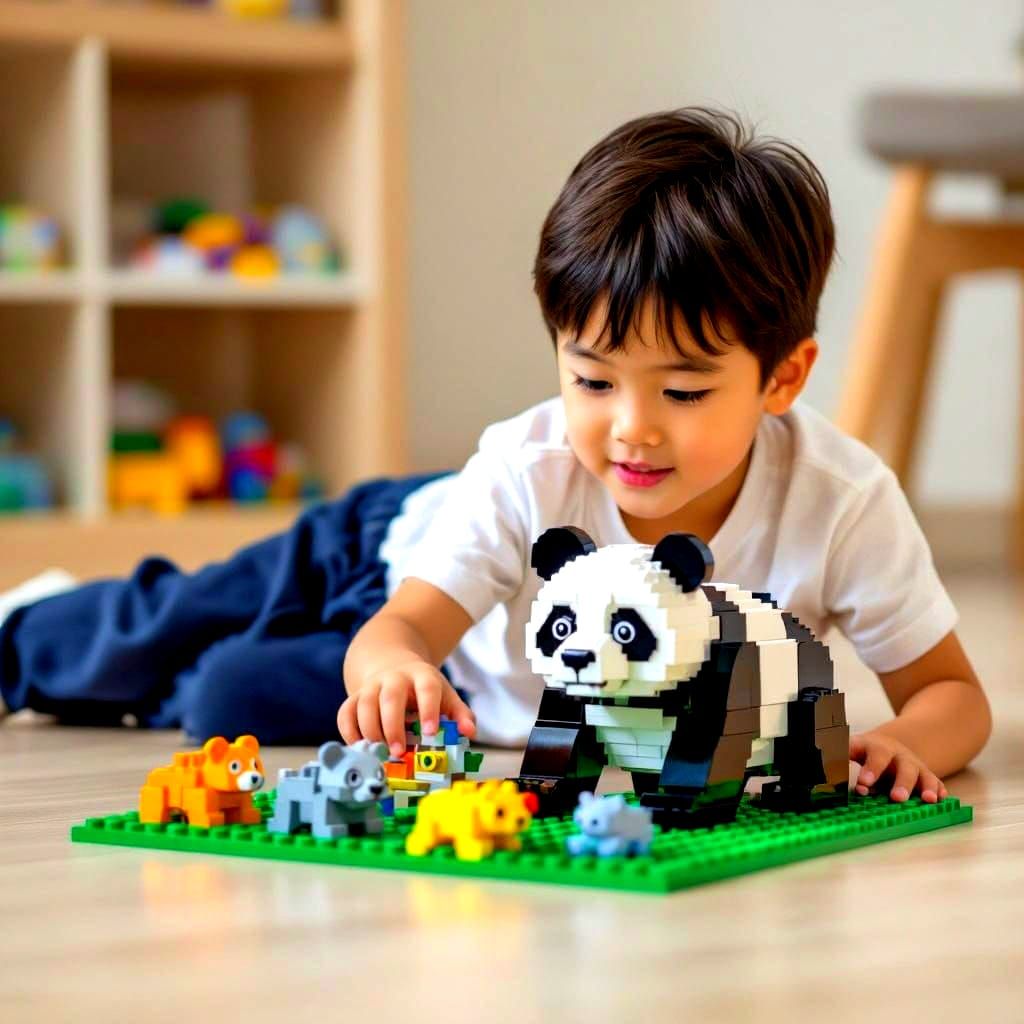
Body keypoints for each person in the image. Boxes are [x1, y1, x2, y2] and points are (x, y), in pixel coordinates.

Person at [0, 108, 991, 806]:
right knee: (144, 628)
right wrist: (394, 665)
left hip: (473, 692)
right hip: (384, 552)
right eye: (592, 380)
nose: (630, 428)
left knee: (221, 695)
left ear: (782, 377)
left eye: (682, 391)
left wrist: (905, 743)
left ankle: (189, 672)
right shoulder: (529, 468)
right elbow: (400, 627)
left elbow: (952, 698)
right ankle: (24, 625)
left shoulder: (842, 501)